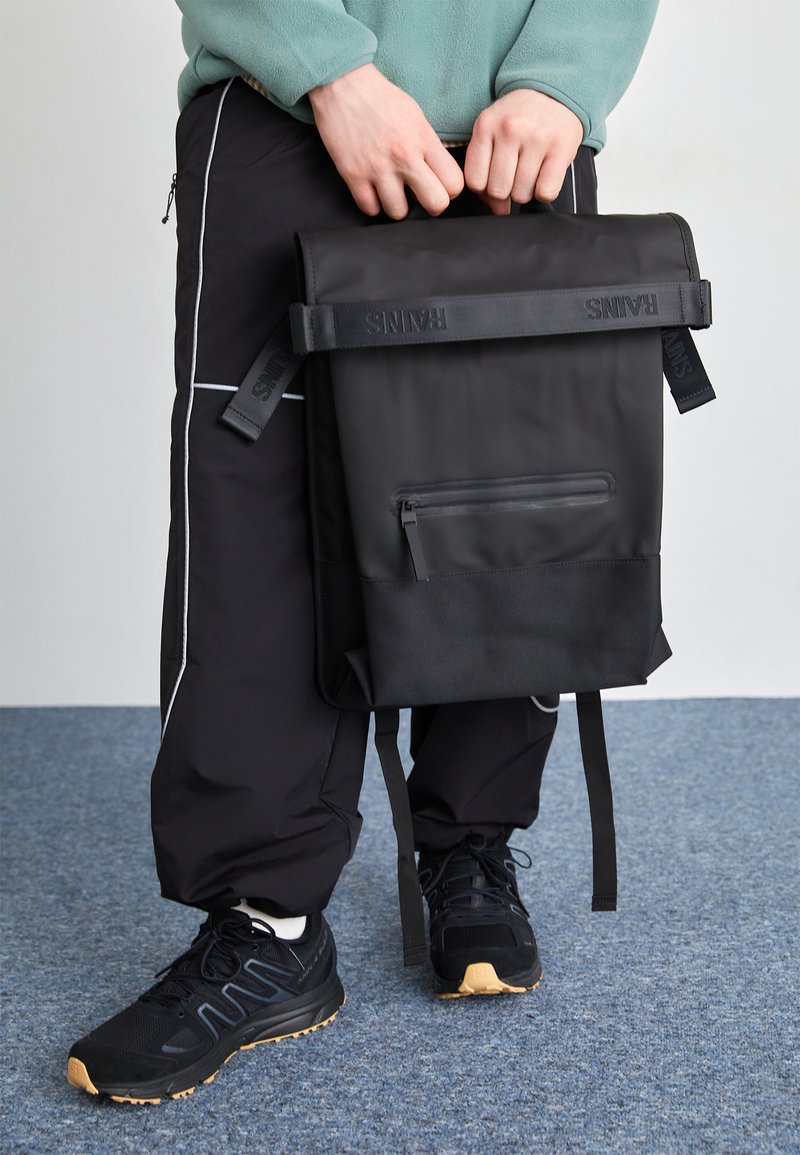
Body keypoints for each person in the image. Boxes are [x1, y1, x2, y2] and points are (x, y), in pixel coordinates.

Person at [67, 0, 659, 1104]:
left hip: (520, 128)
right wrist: (328, 71)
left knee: (509, 504)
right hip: (281, 106)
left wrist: (562, 78)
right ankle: (268, 925)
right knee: (260, 526)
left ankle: (470, 845)